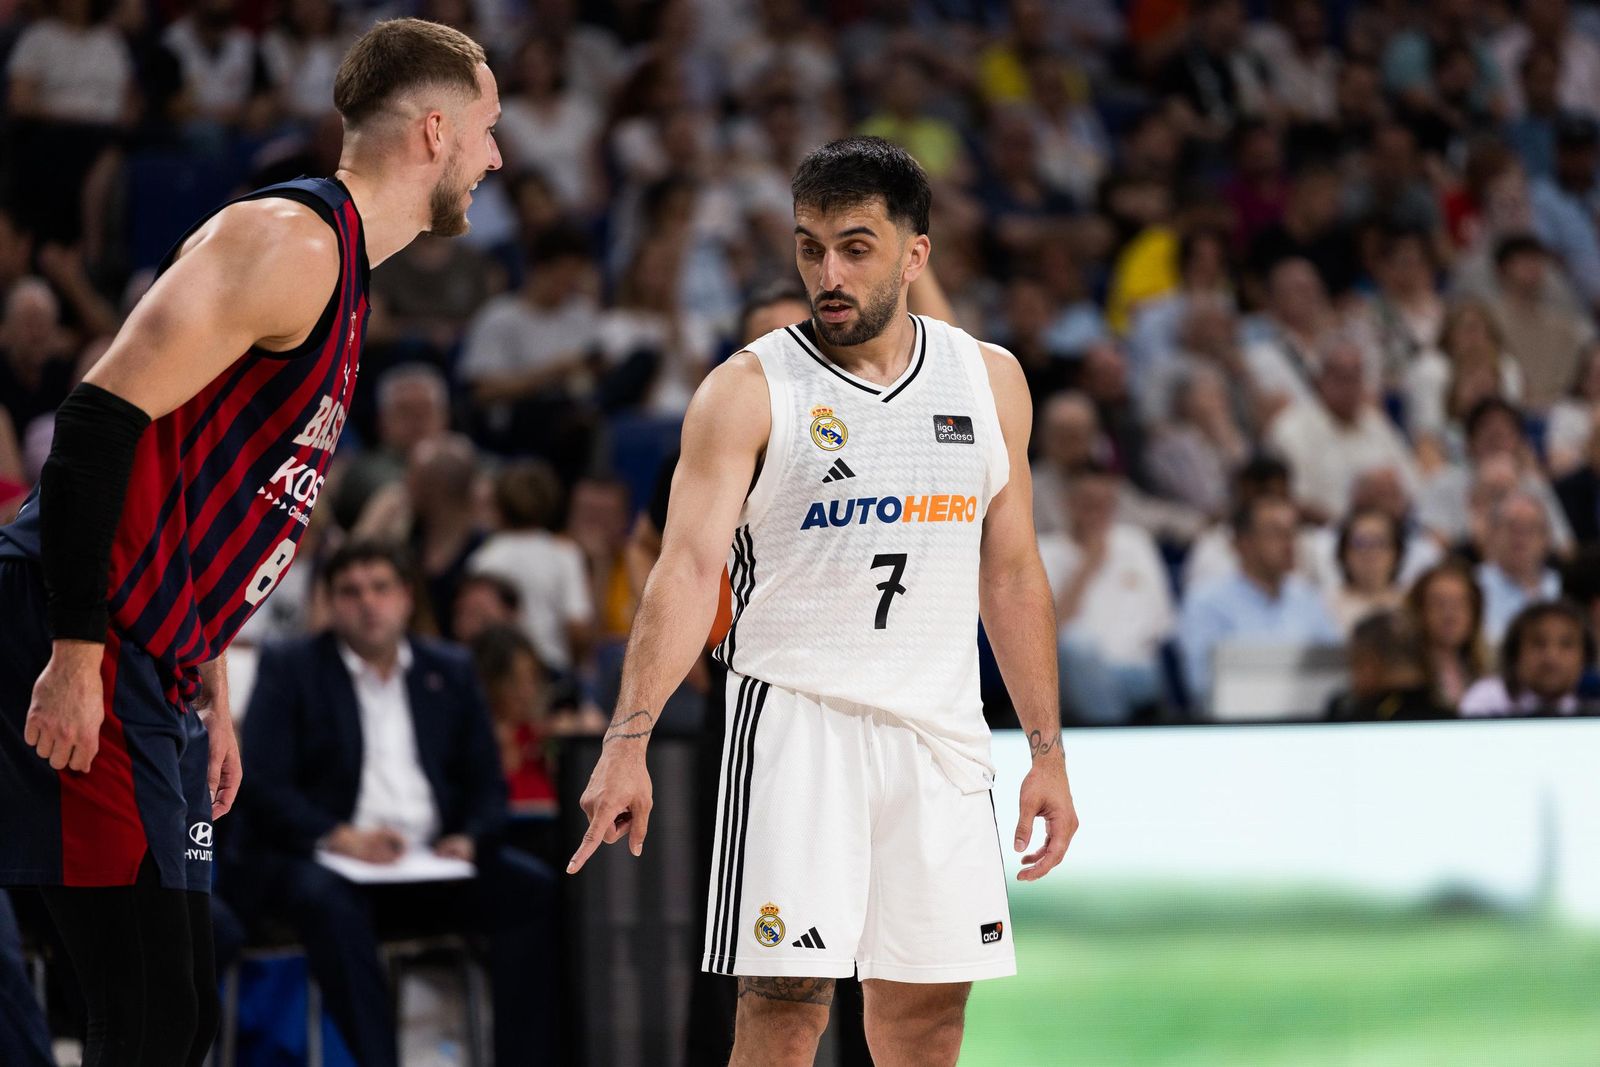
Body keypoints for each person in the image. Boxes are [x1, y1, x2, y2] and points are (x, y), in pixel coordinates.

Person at [0, 18, 501, 1065]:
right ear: (437, 130)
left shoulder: (347, 272)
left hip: (159, 657)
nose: (497, 158)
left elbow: (203, 490)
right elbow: (97, 424)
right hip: (82, 629)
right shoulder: (291, 240)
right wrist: (79, 650)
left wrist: (210, 679)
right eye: (490, 130)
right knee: (144, 1008)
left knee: (172, 1013)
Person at [568, 136, 1079, 1067]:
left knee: (927, 1020)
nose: (827, 273)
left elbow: (1009, 572)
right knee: (784, 1012)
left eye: (855, 247)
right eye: (810, 248)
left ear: (914, 254)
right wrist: (627, 738)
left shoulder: (990, 379)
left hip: (941, 732)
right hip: (794, 725)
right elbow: (682, 570)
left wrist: (1046, 749)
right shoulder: (747, 387)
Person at [234, 541, 555, 1067]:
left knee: (531, 889)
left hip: (428, 862)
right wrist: (340, 837)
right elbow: (264, 785)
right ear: (330, 604)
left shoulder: (448, 669)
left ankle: (524, 1057)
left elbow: (486, 784)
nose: (368, 604)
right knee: (328, 903)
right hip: (328, 862)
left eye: (381, 588)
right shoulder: (292, 668)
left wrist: (469, 837)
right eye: (350, 592)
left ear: (407, 597)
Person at [1178, 495, 1341, 712]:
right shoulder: (1206, 602)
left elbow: (1336, 668)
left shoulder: (1307, 597)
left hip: (1307, 722)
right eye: (1276, 532)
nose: (1289, 542)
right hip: (1237, 729)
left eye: (1293, 531)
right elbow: (1200, 684)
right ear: (1243, 543)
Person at [1039, 463, 1173, 724]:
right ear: (1067, 503)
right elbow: (1047, 633)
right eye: (1087, 503)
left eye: (1105, 503)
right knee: (1079, 647)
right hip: (1070, 672)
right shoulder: (1045, 551)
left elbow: (1162, 619)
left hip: (1136, 668)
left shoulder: (1136, 543)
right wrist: (1089, 565)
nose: (1096, 512)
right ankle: (1115, 731)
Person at [1460, 600, 1593, 715]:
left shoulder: (1593, 702)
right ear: (1516, 652)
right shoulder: (1487, 700)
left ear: (1585, 657)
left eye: (1566, 644)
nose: (1551, 657)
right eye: (1538, 643)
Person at [1325, 611, 1452, 721]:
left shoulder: (1353, 718)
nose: (1353, 676)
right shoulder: (1450, 717)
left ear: (1369, 662)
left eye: (1354, 662)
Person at [1477, 490, 1562, 644]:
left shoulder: (1562, 587)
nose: (1520, 537)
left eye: (1530, 528)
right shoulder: (1474, 586)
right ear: (1493, 534)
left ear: (1546, 538)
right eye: (1512, 527)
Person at [1405, 560, 1491, 709]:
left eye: (1459, 603)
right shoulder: (1405, 674)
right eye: (1439, 603)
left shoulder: (1491, 668)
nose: (1449, 614)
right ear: (1419, 610)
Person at [1326, 508, 1407, 633]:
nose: (1370, 552)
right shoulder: (1325, 606)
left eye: (1380, 542)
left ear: (1396, 553)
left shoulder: (1410, 604)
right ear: (1343, 553)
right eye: (1360, 543)